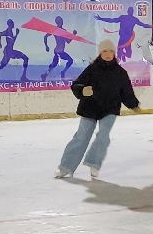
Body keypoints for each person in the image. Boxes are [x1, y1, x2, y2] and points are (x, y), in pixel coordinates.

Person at [57, 39, 140, 181]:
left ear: (114, 53)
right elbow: (76, 85)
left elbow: (126, 92)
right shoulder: (91, 69)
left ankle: (94, 163)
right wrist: (83, 90)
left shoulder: (120, 73)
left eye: (110, 51)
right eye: (104, 51)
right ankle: (66, 167)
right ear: (100, 53)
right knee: (81, 137)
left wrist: (133, 104)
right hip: (90, 108)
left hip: (110, 109)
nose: (108, 54)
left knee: (103, 136)